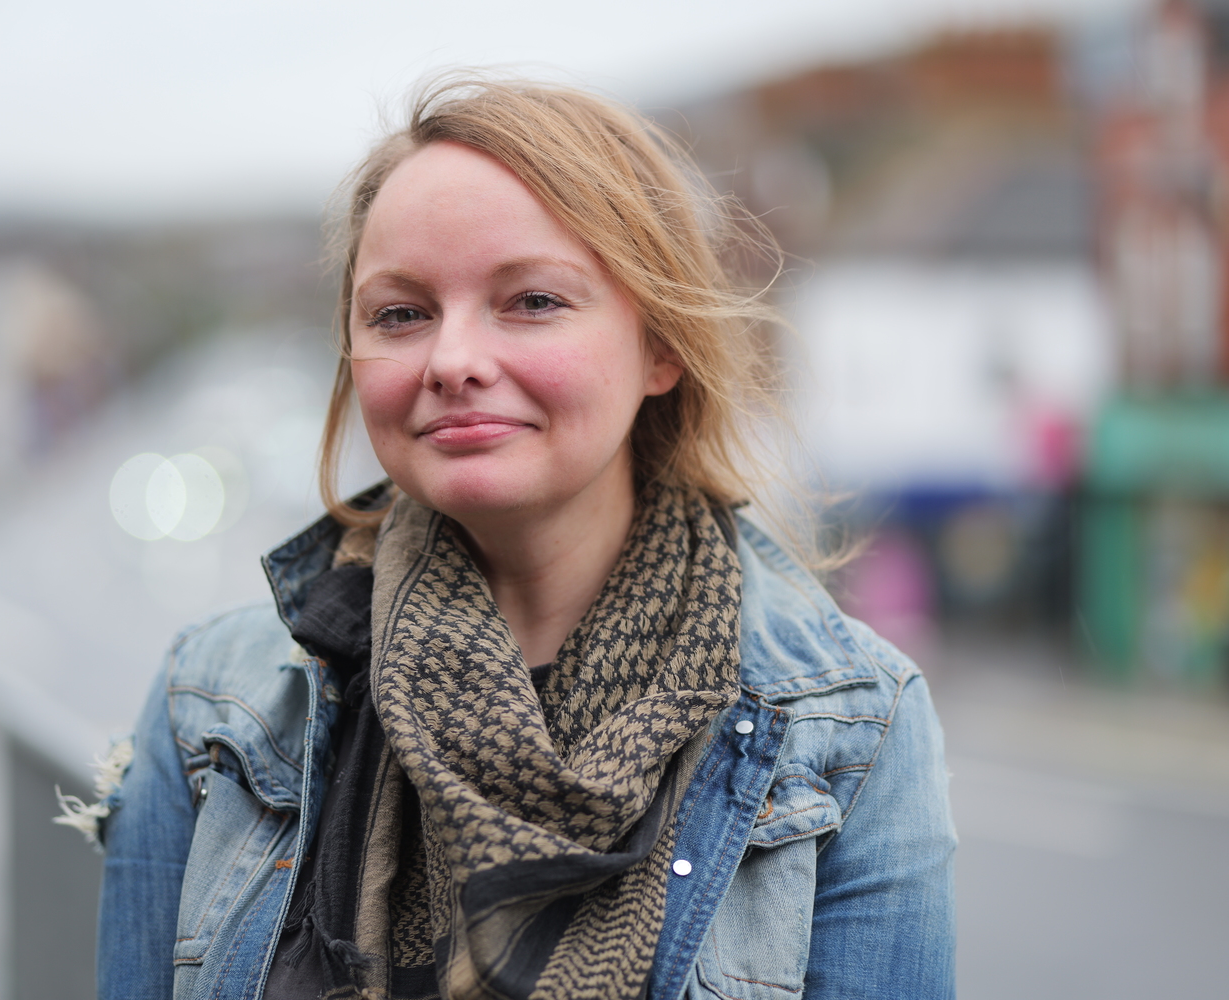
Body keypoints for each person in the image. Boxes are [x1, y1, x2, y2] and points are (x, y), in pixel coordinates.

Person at [84, 76, 956, 1000]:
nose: (454, 360)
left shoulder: (854, 728)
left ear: (660, 344)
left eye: (532, 300)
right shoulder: (210, 703)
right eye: (401, 314)